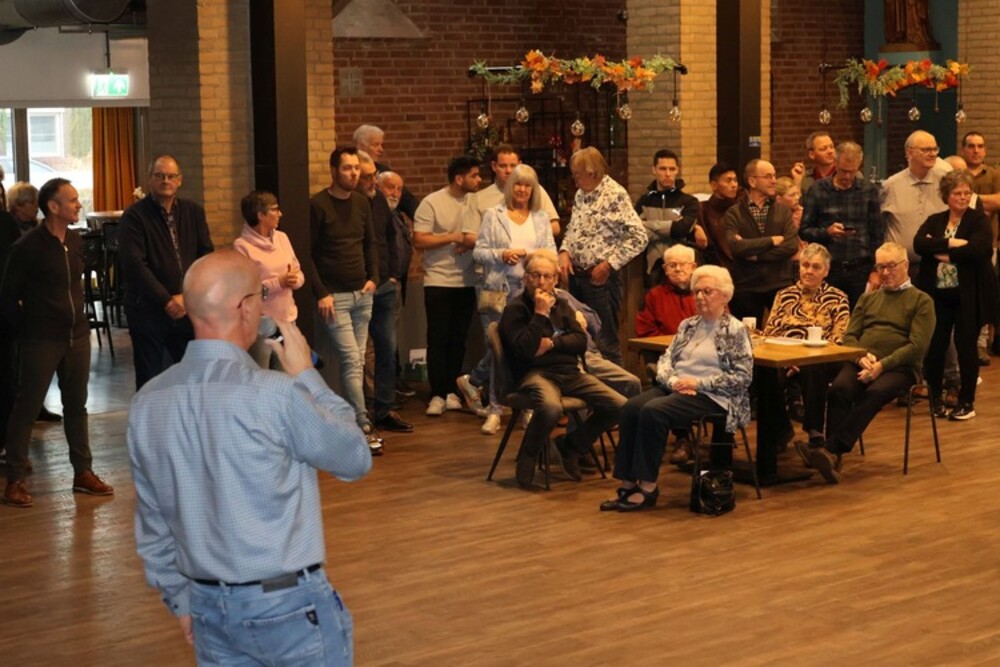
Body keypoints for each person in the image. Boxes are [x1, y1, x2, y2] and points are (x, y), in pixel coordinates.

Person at [128, 249, 370, 665]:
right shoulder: (275, 394)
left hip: (208, 607)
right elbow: (355, 456)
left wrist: (181, 601)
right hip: (289, 605)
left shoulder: (147, 402)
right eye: (261, 296)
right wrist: (307, 376)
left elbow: (153, 522)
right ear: (244, 308)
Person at [600, 265, 752, 512]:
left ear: (725, 295)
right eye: (696, 291)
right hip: (678, 386)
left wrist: (698, 383)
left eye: (707, 291)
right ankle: (627, 483)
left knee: (653, 411)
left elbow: (742, 377)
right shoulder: (688, 325)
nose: (700, 297)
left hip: (714, 394)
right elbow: (666, 360)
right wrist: (672, 381)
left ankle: (647, 487)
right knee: (631, 408)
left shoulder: (735, 330)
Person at [1, 178, 114, 508]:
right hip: (41, 339)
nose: (78, 205)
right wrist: (29, 328)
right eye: (72, 200)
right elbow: (7, 296)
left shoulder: (75, 240)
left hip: (77, 336)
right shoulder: (28, 246)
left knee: (76, 406)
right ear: (53, 206)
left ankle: (83, 472)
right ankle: (15, 480)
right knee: (27, 408)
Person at [796, 242, 935, 483]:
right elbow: (850, 336)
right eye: (880, 267)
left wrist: (882, 365)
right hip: (862, 361)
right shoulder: (868, 298)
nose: (885, 272)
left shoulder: (922, 301)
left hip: (900, 368)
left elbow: (917, 347)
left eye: (891, 266)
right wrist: (860, 357)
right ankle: (832, 458)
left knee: (875, 392)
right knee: (839, 389)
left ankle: (831, 449)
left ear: (905, 266)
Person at [500, 249, 625, 489]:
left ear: (555, 280)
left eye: (547, 276)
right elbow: (524, 351)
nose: (541, 282)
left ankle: (571, 445)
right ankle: (528, 454)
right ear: (525, 277)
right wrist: (539, 314)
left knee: (619, 406)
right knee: (551, 407)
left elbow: (581, 341)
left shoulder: (563, 305)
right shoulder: (516, 309)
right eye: (535, 275)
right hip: (534, 374)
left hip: (570, 373)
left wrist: (551, 344)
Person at [461, 164, 556, 435]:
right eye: (518, 184)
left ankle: (526, 407)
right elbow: (479, 252)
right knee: (498, 349)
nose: (522, 190)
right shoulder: (495, 215)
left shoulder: (540, 217)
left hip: (532, 291)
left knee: (528, 348)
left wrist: (535, 257)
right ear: (509, 187)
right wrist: (502, 254)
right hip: (500, 290)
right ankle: (495, 409)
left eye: (527, 185)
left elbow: (550, 251)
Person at [301, 147, 382, 453]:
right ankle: (362, 423)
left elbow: (370, 243)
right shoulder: (317, 205)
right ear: (333, 170)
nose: (353, 173)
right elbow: (306, 253)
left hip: (363, 293)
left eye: (356, 168)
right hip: (334, 297)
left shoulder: (361, 203)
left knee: (357, 361)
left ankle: (351, 421)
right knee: (352, 360)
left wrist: (373, 277)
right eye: (347, 168)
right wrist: (321, 292)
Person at [120, 155, 214, 390]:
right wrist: (167, 300)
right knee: (150, 379)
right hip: (148, 310)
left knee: (192, 375)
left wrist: (186, 296)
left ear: (179, 180)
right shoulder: (134, 216)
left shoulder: (193, 212)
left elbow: (205, 256)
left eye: (171, 176)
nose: (165, 181)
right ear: (150, 179)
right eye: (159, 176)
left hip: (187, 308)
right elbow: (135, 265)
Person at [913, 170, 998, 421]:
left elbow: (979, 249)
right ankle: (936, 398)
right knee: (936, 347)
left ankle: (966, 401)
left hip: (968, 296)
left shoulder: (978, 220)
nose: (963, 197)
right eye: (957, 193)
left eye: (967, 193)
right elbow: (919, 244)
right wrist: (951, 243)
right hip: (938, 294)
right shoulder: (935, 219)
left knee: (966, 347)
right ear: (946, 196)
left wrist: (944, 253)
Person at [558, 147, 647, 366]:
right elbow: (573, 229)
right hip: (577, 277)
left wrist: (609, 265)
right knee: (580, 337)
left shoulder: (614, 194)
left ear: (591, 172)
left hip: (600, 280)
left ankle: (616, 386)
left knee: (606, 342)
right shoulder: (581, 194)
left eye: (577, 174)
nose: (574, 180)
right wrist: (565, 250)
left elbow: (639, 237)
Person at [762, 244, 851, 444]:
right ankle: (782, 428)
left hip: (821, 358)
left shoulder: (837, 298)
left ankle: (814, 430)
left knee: (813, 366)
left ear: (826, 271)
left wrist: (802, 358)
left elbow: (839, 338)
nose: (809, 271)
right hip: (784, 357)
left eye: (816, 267)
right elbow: (771, 332)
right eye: (805, 265)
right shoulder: (784, 295)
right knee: (766, 373)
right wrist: (788, 359)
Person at [413, 155, 481, 416]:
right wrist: (453, 237)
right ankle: (437, 393)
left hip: (467, 280)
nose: (479, 180)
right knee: (438, 337)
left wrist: (469, 241)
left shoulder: (477, 202)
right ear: (459, 179)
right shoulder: (432, 202)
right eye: (474, 175)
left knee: (458, 338)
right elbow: (419, 239)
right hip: (438, 280)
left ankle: (452, 390)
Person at [357, 151, 412, 435]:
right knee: (359, 355)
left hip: (384, 286)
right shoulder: (347, 203)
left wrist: (390, 273)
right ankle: (361, 410)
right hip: (358, 287)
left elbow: (390, 237)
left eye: (372, 176)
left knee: (387, 350)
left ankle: (384, 408)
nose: (371, 181)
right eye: (366, 177)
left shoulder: (378, 200)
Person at [800, 141, 884, 308]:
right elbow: (804, 230)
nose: (847, 177)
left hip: (860, 269)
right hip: (828, 270)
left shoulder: (868, 190)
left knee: (859, 317)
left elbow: (877, 234)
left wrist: (876, 270)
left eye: (852, 172)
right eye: (843, 171)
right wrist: (827, 232)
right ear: (835, 163)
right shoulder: (818, 190)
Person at [232, 190, 305, 369]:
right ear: (260, 215)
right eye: (275, 209)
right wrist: (278, 283)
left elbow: (298, 272)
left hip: (287, 320)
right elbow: (246, 292)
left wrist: (295, 280)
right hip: (261, 325)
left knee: (285, 378)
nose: (280, 214)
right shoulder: (242, 246)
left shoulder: (282, 238)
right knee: (261, 378)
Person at [722, 159, 799, 321]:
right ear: (752, 181)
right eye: (768, 176)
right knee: (747, 334)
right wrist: (771, 241)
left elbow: (791, 246)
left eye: (774, 176)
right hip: (746, 286)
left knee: (786, 332)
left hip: (780, 283)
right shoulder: (734, 213)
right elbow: (735, 247)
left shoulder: (783, 211)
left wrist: (756, 255)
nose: (774, 181)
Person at [634, 148, 706, 281]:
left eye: (672, 169)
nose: (667, 174)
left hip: (682, 269)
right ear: (654, 170)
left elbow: (681, 229)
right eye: (662, 169)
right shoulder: (644, 201)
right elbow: (636, 232)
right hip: (653, 267)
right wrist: (672, 229)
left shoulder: (689, 201)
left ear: (677, 170)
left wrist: (648, 225)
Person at [882, 130, 951, 265]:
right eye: (926, 150)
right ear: (909, 153)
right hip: (898, 266)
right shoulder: (891, 185)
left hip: (937, 265)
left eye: (935, 149)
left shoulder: (946, 182)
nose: (932, 154)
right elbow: (878, 225)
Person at [470, 144, 560, 237]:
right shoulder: (479, 198)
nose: (508, 170)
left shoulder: (534, 190)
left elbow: (555, 227)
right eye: (503, 166)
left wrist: (524, 235)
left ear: (520, 165)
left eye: (513, 166)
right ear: (494, 166)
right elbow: (470, 236)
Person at [353, 123, 419, 220]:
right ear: (361, 146)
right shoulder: (352, 172)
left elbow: (407, 200)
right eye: (376, 144)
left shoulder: (384, 171)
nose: (381, 149)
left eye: (381, 144)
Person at [634, 244, 698, 337]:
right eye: (672, 265)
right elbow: (645, 330)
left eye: (683, 264)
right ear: (665, 269)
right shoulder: (654, 296)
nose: (678, 269)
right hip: (664, 346)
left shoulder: (705, 293)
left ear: (693, 267)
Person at [699, 162, 740, 269]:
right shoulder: (703, 209)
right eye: (728, 180)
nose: (734, 185)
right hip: (714, 267)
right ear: (714, 185)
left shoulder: (740, 208)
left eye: (735, 180)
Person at [790, 131, 837, 195]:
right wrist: (798, 182)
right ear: (812, 154)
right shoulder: (806, 179)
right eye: (823, 149)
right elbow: (798, 200)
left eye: (831, 147)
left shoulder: (843, 174)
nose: (830, 151)